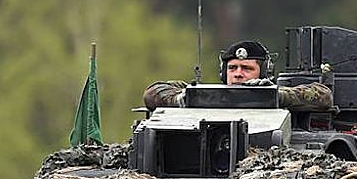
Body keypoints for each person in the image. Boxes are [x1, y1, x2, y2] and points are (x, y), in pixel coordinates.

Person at [143, 39, 333, 112]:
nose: (238, 74)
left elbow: (323, 95)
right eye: (232, 68)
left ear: (264, 71)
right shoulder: (204, 95)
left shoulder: (276, 95)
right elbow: (153, 93)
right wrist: (181, 100)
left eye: (247, 68)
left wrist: (276, 96)